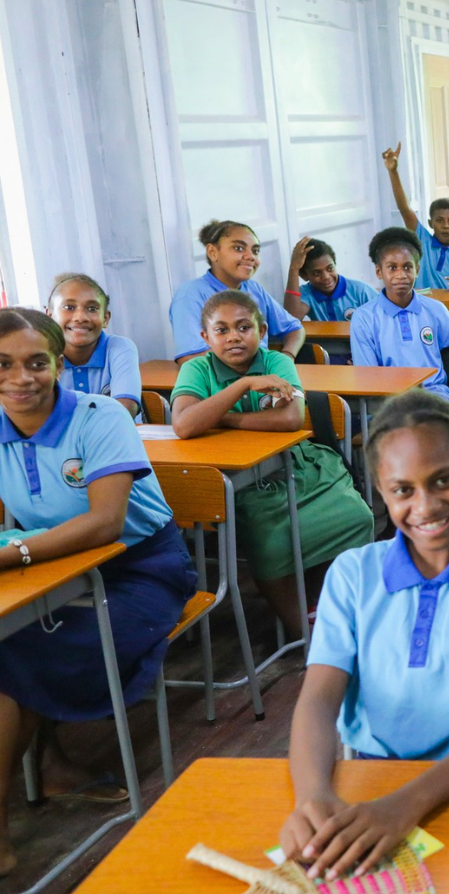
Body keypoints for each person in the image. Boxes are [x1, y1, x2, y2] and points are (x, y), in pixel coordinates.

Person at [279, 392, 449, 881]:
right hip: (375, 780)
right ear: (381, 493)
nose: (426, 505)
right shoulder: (352, 574)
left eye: (443, 480)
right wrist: (313, 798)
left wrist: (404, 807)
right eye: (403, 490)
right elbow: (318, 701)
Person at [0, 308, 196, 875]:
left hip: (140, 570)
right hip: (54, 565)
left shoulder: (99, 415)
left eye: (38, 362)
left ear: (59, 363)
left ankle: (16, 799)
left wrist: (14, 553)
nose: (21, 378)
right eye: (4, 365)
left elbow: (105, 524)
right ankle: (51, 767)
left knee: (15, 652)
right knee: (12, 645)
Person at [171, 291, 373, 637]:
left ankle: (343, 604)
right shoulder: (196, 368)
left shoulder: (277, 362)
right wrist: (245, 386)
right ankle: (305, 635)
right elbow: (185, 424)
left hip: (298, 464)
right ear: (205, 338)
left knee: (358, 516)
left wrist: (220, 419)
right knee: (272, 542)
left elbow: (290, 419)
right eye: (221, 330)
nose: (234, 337)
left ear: (262, 330)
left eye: (244, 327)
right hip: (238, 480)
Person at [350, 228, 449, 440]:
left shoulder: (436, 310)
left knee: (432, 432)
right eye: (392, 268)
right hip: (387, 403)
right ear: (379, 272)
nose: (401, 275)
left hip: (436, 397)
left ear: (417, 269)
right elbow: (370, 379)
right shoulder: (364, 318)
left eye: (407, 267)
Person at [169, 219, 305, 362]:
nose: (251, 256)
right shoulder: (190, 295)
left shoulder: (254, 289)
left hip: (264, 375)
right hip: (220, 382)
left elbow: (295, 329)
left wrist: (287, 357)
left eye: (255, 251)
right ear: (213, 252)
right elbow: (189, 358)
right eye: (239, 248)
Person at [381, 141, 449, 292]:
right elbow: (405, 209)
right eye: (440, 220)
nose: (446, 225)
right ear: (430, 223)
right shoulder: (422, 241)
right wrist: (393, 172)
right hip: (423, 308)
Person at [47, 273, 140, 417]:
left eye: (92, 309)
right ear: (50, 316)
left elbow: (125, 410)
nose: (80, 317)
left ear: (105, 318)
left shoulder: (119, 348)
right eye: (69, 307)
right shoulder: (41, 355)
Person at [284, 237, 379, 322]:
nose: (326, 277)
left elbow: (386, 318)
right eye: (317, 273)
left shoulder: (361, 290)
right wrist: (294, 268)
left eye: (330, 268)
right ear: (304, 275)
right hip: (327, 342)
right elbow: (291, 319)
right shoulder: (306, 293)